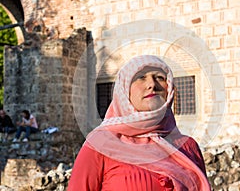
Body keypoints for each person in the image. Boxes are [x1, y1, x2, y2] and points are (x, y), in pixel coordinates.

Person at [68, 55, 211, 190]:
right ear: (124, 90)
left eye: (160, 78)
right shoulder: (101, 144)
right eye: (141, 77)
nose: (152, 85)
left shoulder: (187, 147)